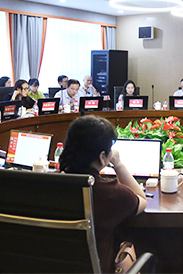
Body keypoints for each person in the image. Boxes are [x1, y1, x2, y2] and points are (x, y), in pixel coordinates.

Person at [59, 115, 147, 273]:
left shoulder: (48, 185)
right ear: (102, 157)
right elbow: (141, 199)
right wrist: (118, 165)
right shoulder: (110, 193)